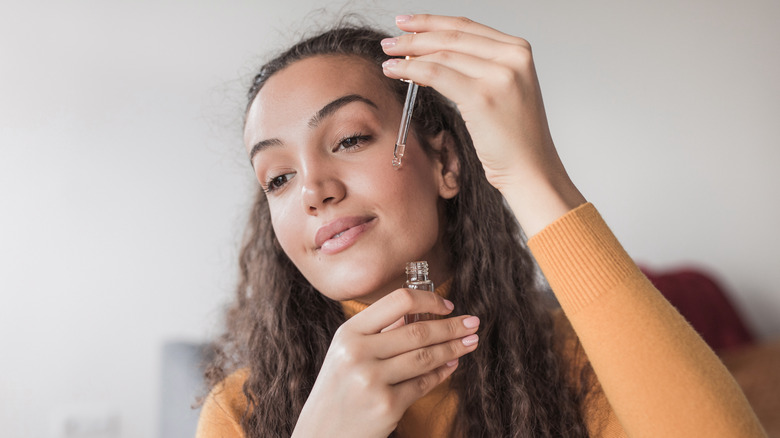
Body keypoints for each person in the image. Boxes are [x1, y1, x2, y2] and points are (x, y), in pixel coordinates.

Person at [196, 14, 766, 438]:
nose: (315, 190)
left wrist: (532, 172)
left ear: (445, 163)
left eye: (349, 139)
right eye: (277, 178)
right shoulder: (241, 412)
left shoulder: (579, 367)